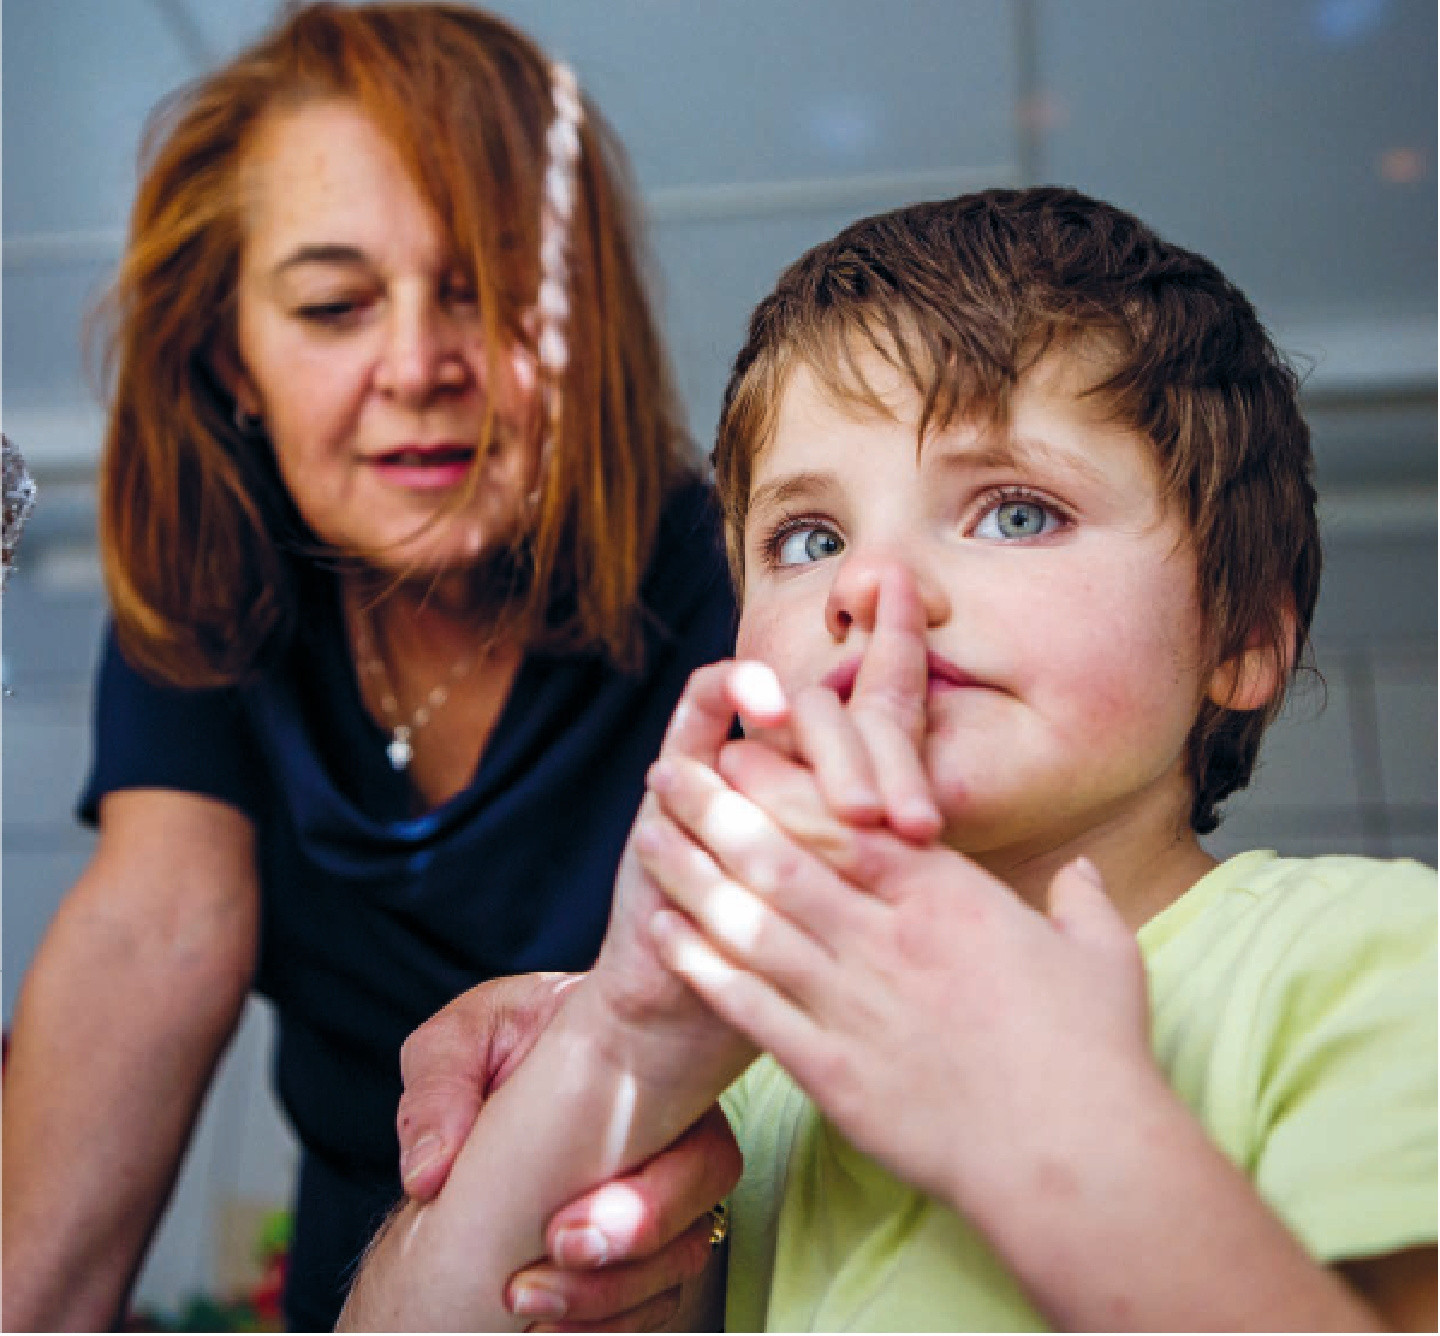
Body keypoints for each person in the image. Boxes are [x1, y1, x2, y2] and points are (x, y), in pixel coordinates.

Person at [342, 187, 1437, 1330]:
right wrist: (619, 1042)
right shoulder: (758, 1077)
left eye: (1017, 512)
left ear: (1244, 637)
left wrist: (1046, 1137)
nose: (871, 587)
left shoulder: (1366, 960)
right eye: (808, 540)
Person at [0, 4, 741, 1330]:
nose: (418, 366)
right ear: (235, 358)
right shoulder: (212, 592)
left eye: (487, 290)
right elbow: (153, 929)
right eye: (337, 306)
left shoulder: (740, 586)